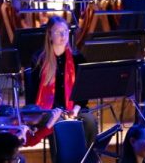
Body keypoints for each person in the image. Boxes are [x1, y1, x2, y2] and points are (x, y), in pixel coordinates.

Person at [24, 16, 98, 145]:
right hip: (46, 111)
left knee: (90, 122)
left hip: (72, 109)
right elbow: (32, 94)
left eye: (65, 31)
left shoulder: (77, 58)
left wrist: (74, 111)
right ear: (49, 34)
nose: (63, 35)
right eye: (58, 32)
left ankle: (85, 161)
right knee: (59, 124)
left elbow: (83, 92)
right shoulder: (39, 59)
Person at [0, 78, 61, 147]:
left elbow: (30, 141)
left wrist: (49, 124)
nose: (0, 99)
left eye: (0, 95)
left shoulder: (7, 118)